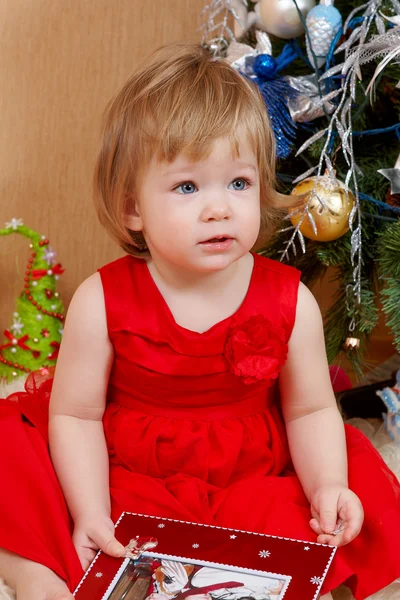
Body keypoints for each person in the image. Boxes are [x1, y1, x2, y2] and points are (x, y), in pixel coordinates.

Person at [0, 42, 399, 600]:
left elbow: (308, 410)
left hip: (248, 477)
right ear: (132, 208)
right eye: (188, 187)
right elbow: (76, 416)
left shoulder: (290, 301)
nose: (219, 208)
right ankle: (35, 572)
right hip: (126, 473)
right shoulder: (102, 300)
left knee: (340, 491)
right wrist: (90, 510)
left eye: (239, 183)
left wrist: (327, 485)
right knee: (13, 449)